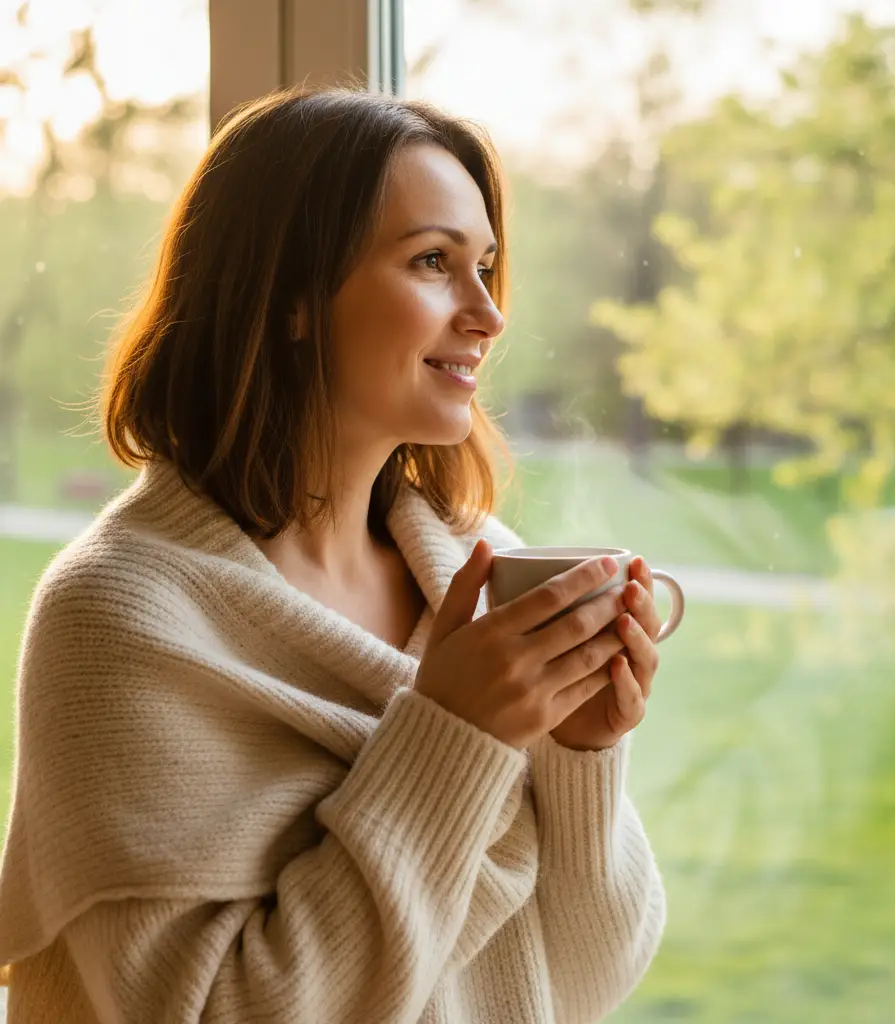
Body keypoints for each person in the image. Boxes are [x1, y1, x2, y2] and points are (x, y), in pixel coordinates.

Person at [0, 86, 667, 1023]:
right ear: (290, 298)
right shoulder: (120, 615)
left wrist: (580, 754)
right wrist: (454, 736)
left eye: (486, 266)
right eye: (433, 262)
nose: (488, 314)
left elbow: (583, 976)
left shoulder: (483, 572)